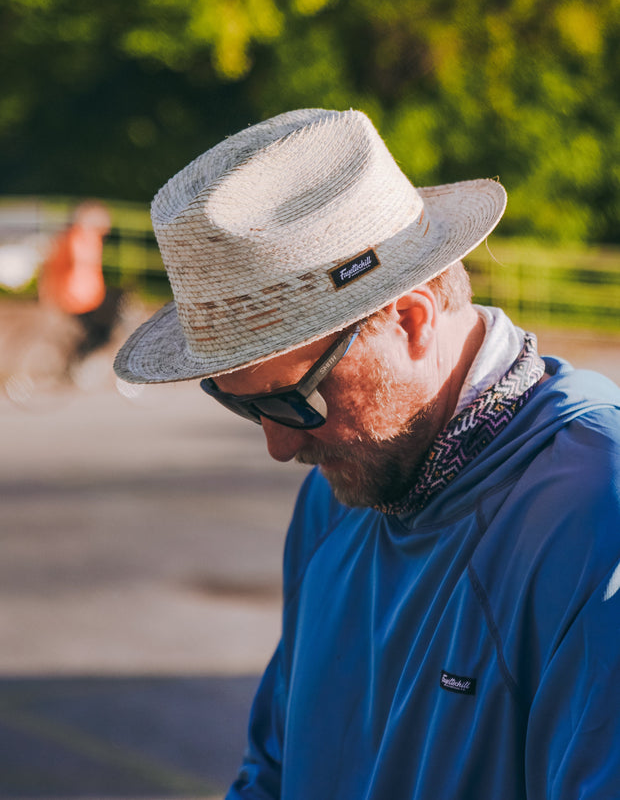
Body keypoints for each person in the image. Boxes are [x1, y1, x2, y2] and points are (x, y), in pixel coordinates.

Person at [114, 109, 620, 799]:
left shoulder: (597, 512)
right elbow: (273, 769)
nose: (278, 444)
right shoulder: (340, 489)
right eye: (241, 403)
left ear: (410, 319)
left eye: (294, 399)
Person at [38, 200, 121, 363]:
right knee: (104, 330)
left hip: (75, 296)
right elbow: (82, 265)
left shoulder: (68, 236)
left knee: (95, 329)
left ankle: (79, 359)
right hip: (81, 298)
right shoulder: (81, 237)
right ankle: (80, 361)